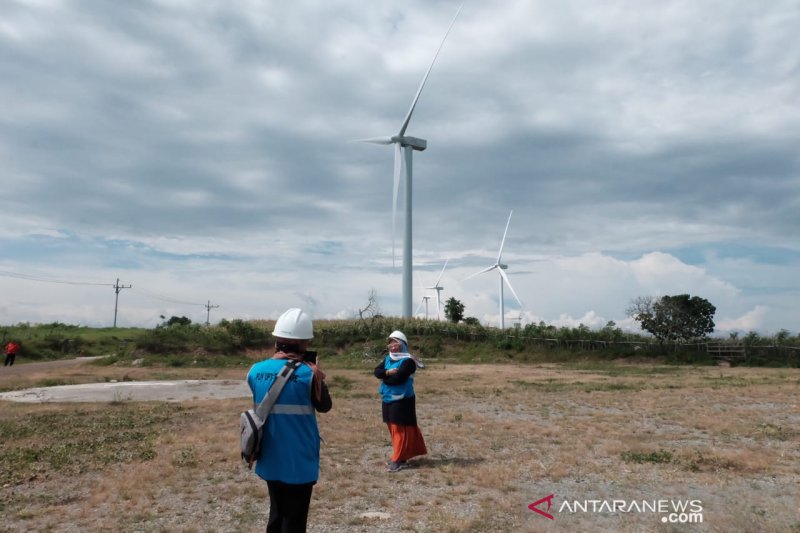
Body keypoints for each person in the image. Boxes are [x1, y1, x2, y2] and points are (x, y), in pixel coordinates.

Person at [246, 308, 332, 533]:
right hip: (299, 459)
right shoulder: (309, 374)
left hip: (269, 455)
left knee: (277, 513)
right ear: (304, 344)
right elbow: (325, 406)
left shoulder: (255, 371)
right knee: (294, 520)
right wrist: (318, 375)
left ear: (277, 340)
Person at [373, 330, 427, 472]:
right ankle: (401, 456)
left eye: (395, 343)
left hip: (403, 400)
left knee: (400, 429)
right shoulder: (388, 359)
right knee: (392, 428)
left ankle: (397, 460)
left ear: (402, 345)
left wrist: (384, 377)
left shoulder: (408, 361)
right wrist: (387, 373)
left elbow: (399, 378)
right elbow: (376, 372)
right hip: (387, 398)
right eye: (390, 343)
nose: (392, 346)